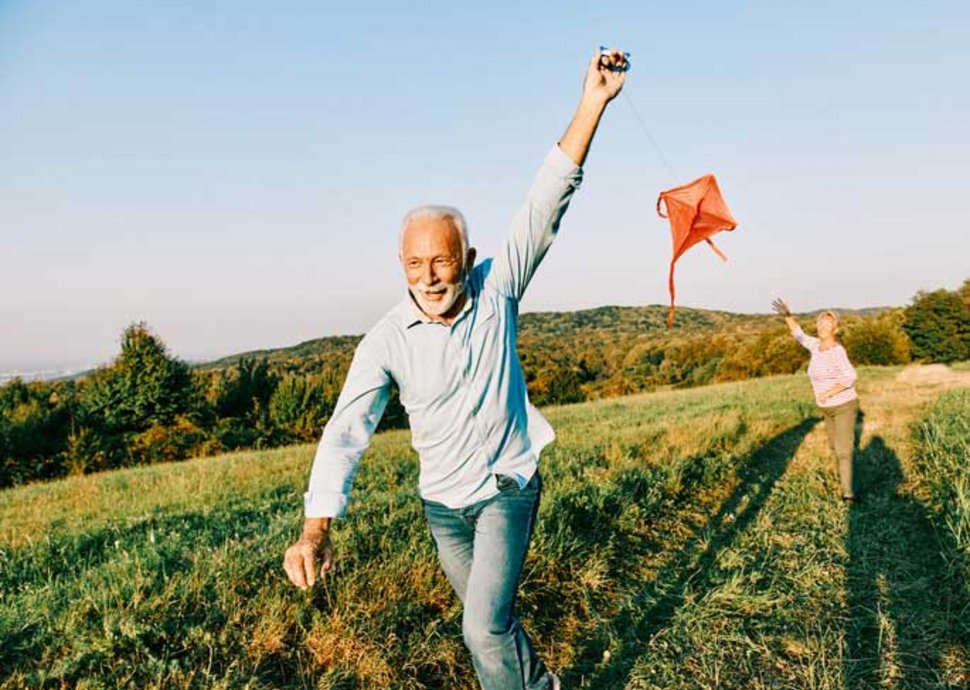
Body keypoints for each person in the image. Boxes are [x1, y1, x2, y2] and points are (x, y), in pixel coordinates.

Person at [283, 49, 629, 690]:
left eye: (441, 262)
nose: (429, 277)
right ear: (401, 265)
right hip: (444, 507)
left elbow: (547, 199)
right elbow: (346, 431)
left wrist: (593, 102)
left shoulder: (498, 290)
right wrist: (315, 529)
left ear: (466, 258)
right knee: (490, 623)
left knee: (480, 630)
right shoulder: (386, 340)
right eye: (415, 265)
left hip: (506, 488)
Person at [772, 298, 860, 502]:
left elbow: (850, 376)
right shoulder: (816, 346)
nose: (822, 327)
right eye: (820, 323)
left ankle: (848, 494)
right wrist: (787, 317)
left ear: (835, 329)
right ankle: (843, 477)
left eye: (827, 324)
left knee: (843, 450)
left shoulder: (837, 351)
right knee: (834, 446)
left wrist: (829, 392)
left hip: (844, 405)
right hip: (827, 409)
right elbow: (799, 335)